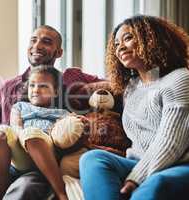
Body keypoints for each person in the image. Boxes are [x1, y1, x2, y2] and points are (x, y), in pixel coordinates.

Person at [0, 25, 103, 200]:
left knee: (21, 193)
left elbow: (112, 85)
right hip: (2, 160)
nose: (37, 46)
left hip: (42, 162)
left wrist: (88, 91)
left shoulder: (72, 79)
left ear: (59, 52)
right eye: (33, 40)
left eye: (46, 41)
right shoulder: (7, 87)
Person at [79, 15, 189, 200]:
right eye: (116, 44)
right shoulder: (131, 88)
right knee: (92, 159)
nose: (120, 47)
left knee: (155, 183)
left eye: (128, 38)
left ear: (151, 39)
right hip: (135, 162)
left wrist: (136, 178)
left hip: (177, 164)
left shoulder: (180, 78)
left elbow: (171, 143)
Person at [0, 65, 71, 200]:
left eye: (43, 86)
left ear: (56, 92)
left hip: (46, 152)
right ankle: (2, 192)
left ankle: (61, 192)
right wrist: (23, 136)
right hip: (21, 153)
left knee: (33, 135)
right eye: (32, 85)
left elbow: (65, 135)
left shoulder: (62, 114)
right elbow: (16, 127)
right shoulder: (20, 106)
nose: (36, 90)